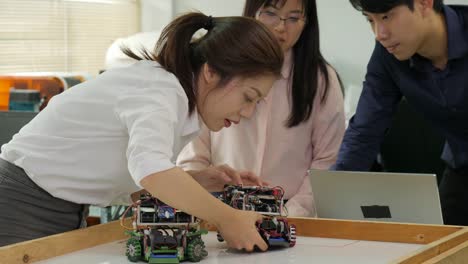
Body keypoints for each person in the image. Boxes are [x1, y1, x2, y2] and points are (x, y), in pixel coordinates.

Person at [0, 12, 284, 249]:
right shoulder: (160, 91)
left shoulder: (176, 99)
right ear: (211, 72)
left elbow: (138, 181)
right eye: (248, 97)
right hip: (21, 201)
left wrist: (199, 180)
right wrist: (227, 218)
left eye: (256, 104)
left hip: (61, 206)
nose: (247, 113)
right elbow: (152, 171)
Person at [177, 0, 346, 217]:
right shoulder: (220, 68)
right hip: (220, 206)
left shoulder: (321, 80)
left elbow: (327, 161)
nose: (280, 27)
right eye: (270, 13)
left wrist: (289, 214)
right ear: (252, 13)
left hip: (292, 211)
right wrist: (210, 208)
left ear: (307, 24)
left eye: (294, 18)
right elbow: (193, 155)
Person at [333, 0, 468, 226]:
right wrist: (335, 192)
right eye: (370, 20)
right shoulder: (388, 56)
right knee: (439, 248)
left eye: (386, 17)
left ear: (424, 3)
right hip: (462, 167)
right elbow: (365, 130)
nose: (379, 33)